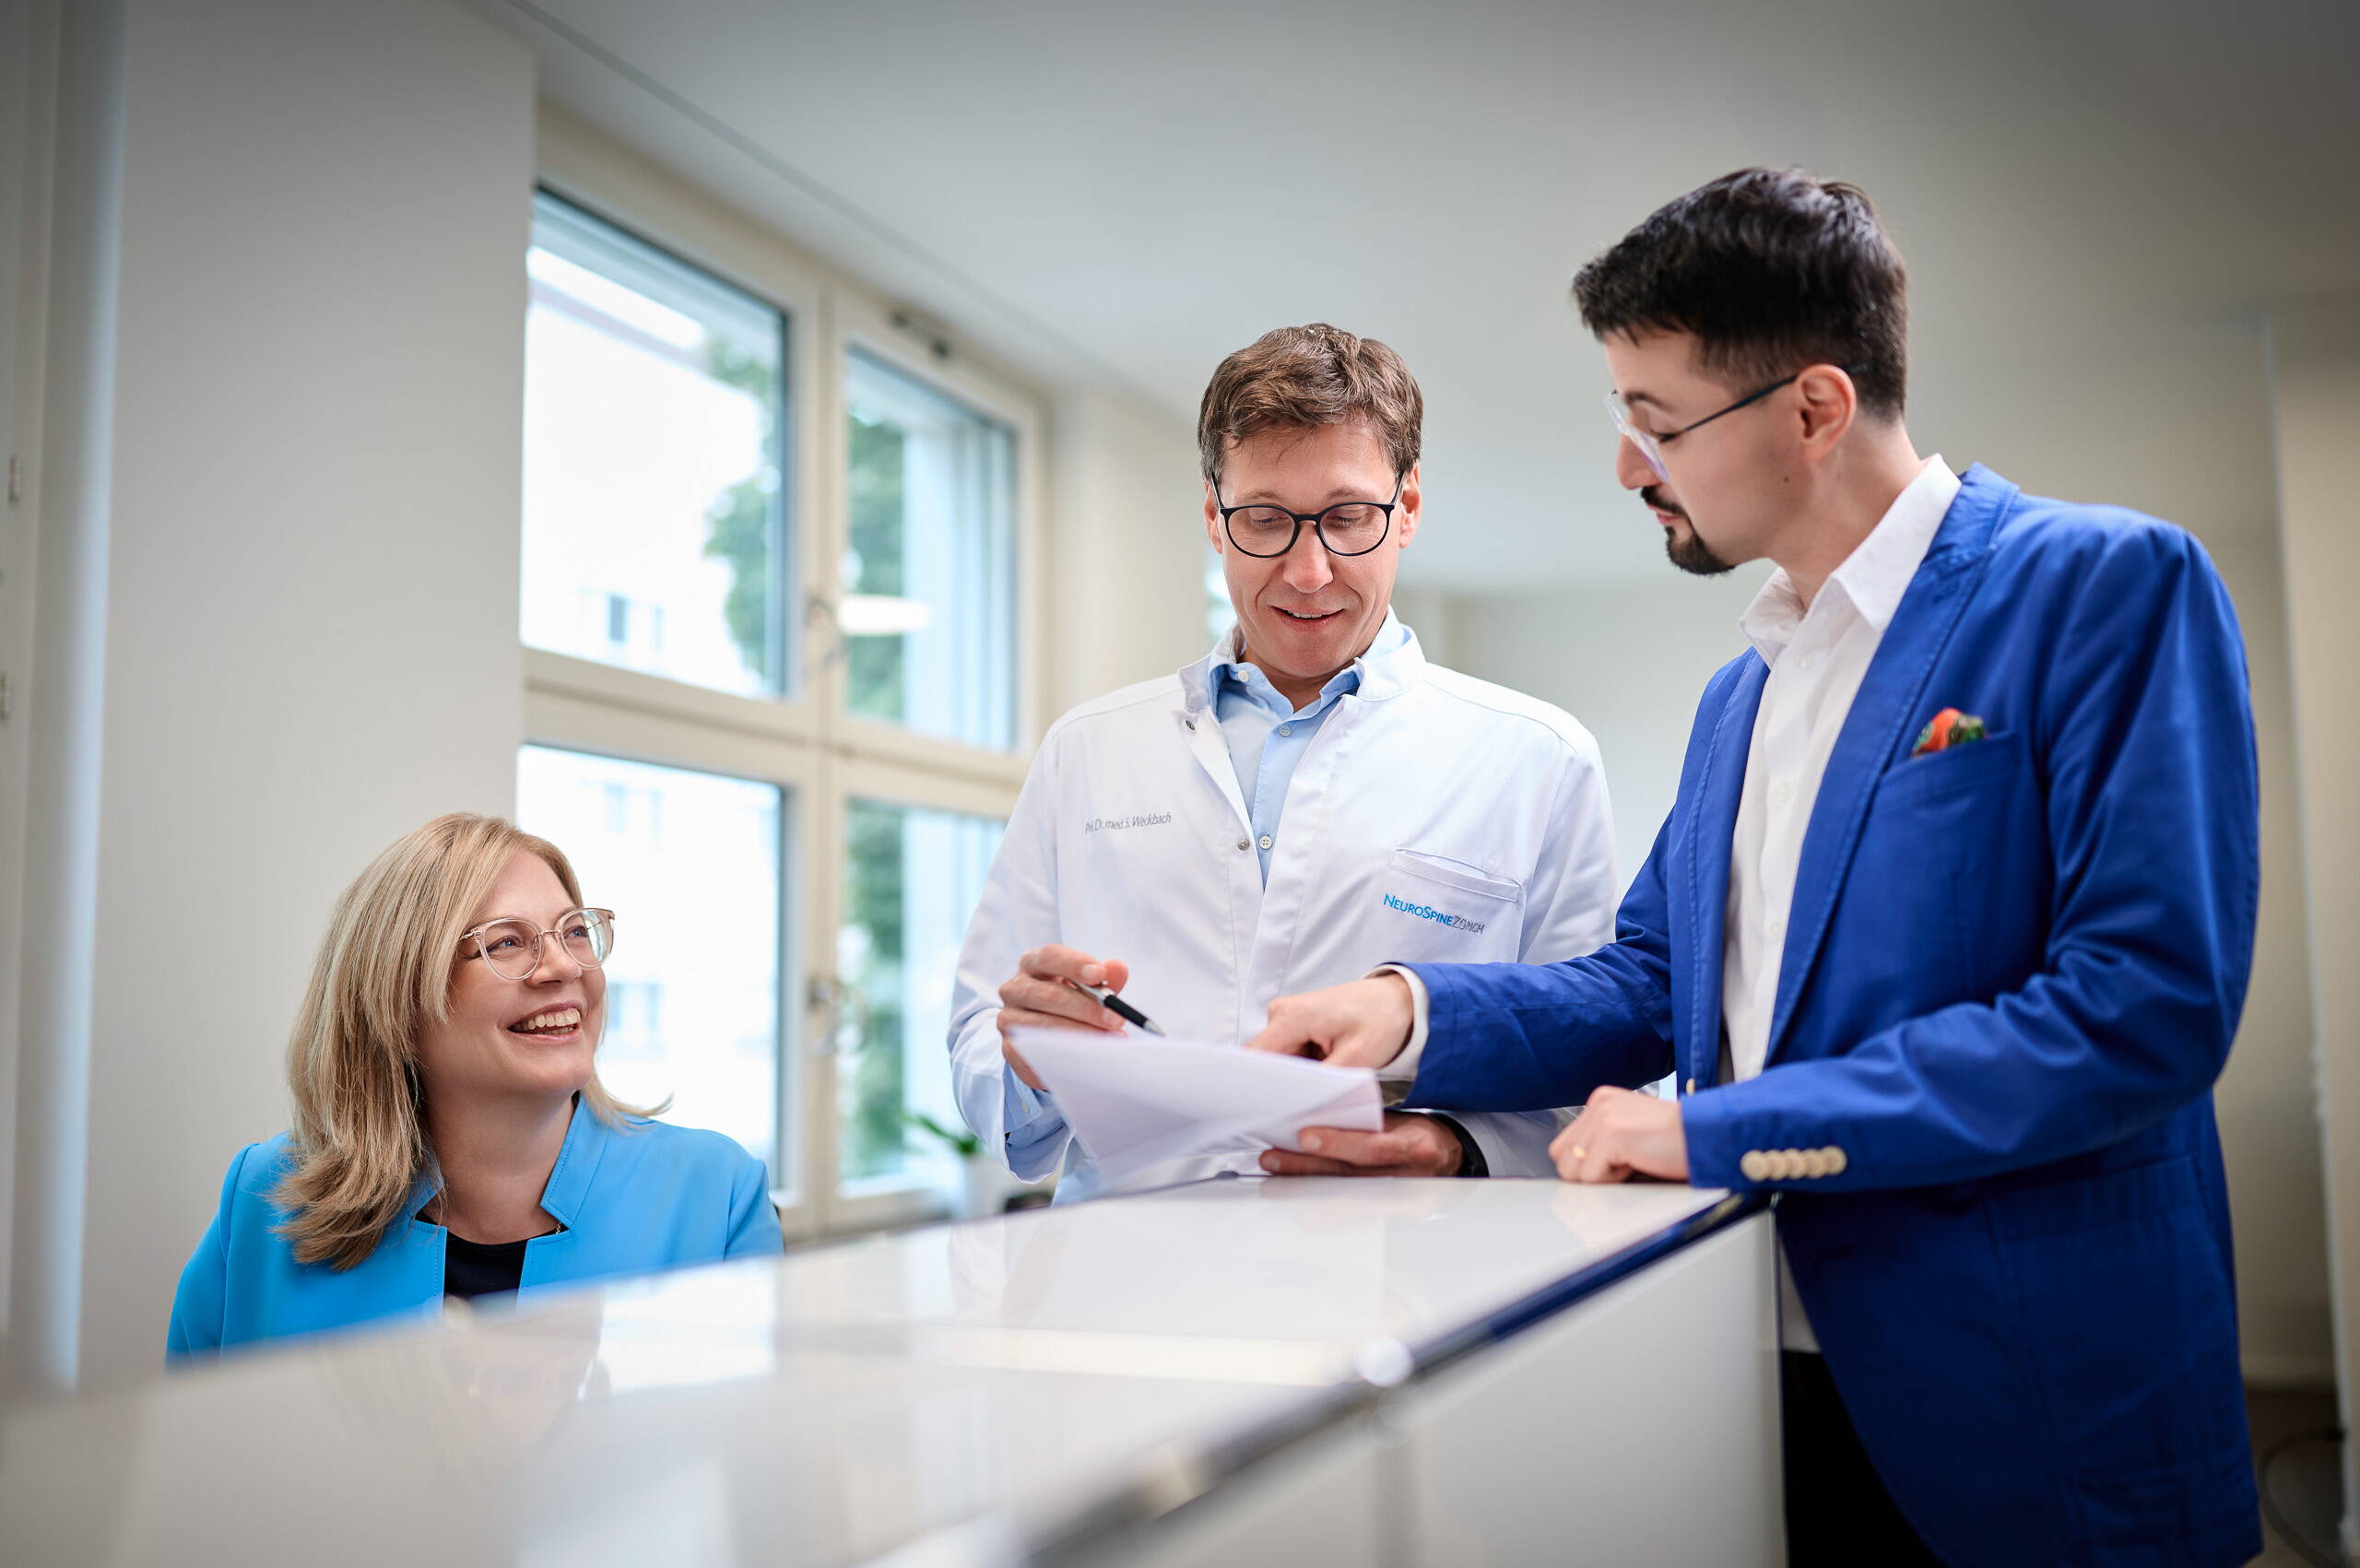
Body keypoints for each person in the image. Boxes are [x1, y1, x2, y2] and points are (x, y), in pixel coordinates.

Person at [1246, 171, 2262, 1567]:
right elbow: (1661, 974)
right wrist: (1416, 1013)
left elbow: (2137, 1011)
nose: (1625, 465)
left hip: (2036, 1414)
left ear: (1814, 408)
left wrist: (1710, 1130)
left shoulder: (2106, 584)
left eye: (1653, 420)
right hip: (1766, 1373)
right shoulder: (1746, 686)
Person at [947, 323, 1620, 1200]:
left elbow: (1605, 1070)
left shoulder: (1538, 757)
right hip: (1131, 1277)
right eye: (1264, 519)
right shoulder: (1088, 749)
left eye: (1347, 518)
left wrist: (1457, 1143)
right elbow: (978, 1040)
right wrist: (1036, 1055)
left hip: (1410, 1267)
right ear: (1212, 517)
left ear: (1408, 508)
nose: (1308, 572)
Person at [169, 812, 781, 1359]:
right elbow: (194, 1471)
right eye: (507, 941)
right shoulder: (263, 1196)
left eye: (573, 930)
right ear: (398, 1003)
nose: (566, 966)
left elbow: (758, 1468)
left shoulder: (718, 1196)